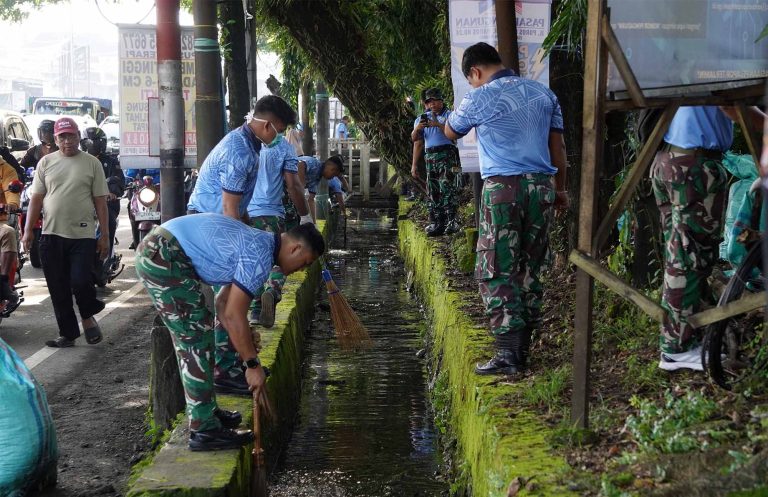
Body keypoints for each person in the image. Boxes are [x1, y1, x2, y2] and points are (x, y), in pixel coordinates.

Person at [135, 216, 325, 451]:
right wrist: (252, 366)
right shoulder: (261, 256)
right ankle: (203, 430)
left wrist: (245, 337)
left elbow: (224, 306)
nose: (301, 270)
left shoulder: (260, 243)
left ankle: (207, 412)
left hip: (162, 249)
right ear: (295, 248)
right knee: (195, 337)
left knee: (201, 330)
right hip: (164, 255)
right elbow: (233, 314)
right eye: (305, 262)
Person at [444, 42, 569, 376]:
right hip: (542, 185)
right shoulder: (545, 95)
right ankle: (523, 346)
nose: (472, 83)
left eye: (471, 79)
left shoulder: (479, 94)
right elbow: (558, 148)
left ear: (474, 71)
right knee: (531, 265)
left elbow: (451, 130)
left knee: (496, 266)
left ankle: (508, 353)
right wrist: (561, 189)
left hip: (503, 188)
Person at [652, 105, 766, 371]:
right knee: (689, 256)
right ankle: (676, 349)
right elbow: (732, 106)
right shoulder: (711, 67)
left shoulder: (684, 66)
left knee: (679, 254)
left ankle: (683, 337)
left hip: (668, 159)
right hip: (693, 166)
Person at [23, 117, 110, 348]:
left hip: (82, 236)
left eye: (71, 135)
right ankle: (68, 333)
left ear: (78, 136)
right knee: (58, 287)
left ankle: (88, 316)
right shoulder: (45, 163)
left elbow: (100, 202)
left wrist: (104, 236)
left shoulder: (92, 163)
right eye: (62, 137)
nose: (67, 141)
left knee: (81, 281)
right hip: (51, 234)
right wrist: (27, 231)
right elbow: (36, 199)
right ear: (54, 138)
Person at [245, 116, 312, 328]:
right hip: (272, 214)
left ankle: (255, 311)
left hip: (245, 213)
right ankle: (272, 291)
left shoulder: (244, 142)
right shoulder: (284, 147)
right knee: (279, 260)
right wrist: (305, 214)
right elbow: (293, 185)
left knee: (254, 261)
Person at [187, 95, 297, 220]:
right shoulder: (240, 152)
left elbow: (239, 202)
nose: (280, 137)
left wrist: (248, 229)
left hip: (218, 217)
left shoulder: (250, 145)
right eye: (280, 131)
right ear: (267, 126)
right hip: (205, 219)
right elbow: (230, 208)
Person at [411, 88, 462, 236]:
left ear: (441, 100)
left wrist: (437, 125)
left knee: (448, 187)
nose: (432, 104)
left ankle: (452, 221)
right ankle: (437, 222)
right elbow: (416, 141)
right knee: (433, 189)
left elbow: (455, 135)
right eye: (429, 102)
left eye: (435, 101)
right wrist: (418, 128)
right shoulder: (422, 118)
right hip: (430, 156)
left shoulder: (450, 115)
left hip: (447, 154)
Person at [81, 127, 125, 257]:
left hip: (106, 204)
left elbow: (117, 179)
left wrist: (112, 192)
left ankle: (106, 253)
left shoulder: (110, 161)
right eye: (89, 142)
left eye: (96, 142)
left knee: (109, 222)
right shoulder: (78, 161)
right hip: (82, 204)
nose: (93, 146)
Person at [300, 154, 349, 221]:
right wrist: (302, 187)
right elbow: (300, 164)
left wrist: (314, 223)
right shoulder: (314, 163)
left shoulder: (317, 178)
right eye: (333, 173)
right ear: (330, 167)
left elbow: (310, 199)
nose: (332, 177)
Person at [0, 155, 21, 310]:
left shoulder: (5, 168)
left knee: (8, 232)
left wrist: (12, 204)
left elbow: (11, 190)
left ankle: (3, 283)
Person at [124, 168, 160, 249]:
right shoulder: (141, 157)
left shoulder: (164, 160)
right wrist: (128, 179)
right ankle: (135, 238)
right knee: (131, 205)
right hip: (141, 190)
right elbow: (131, 172)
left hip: (162, 189)